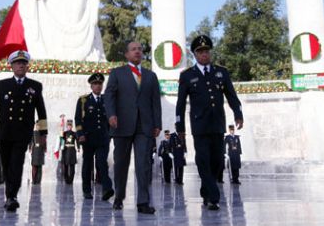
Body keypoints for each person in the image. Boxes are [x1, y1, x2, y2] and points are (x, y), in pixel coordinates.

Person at [176, 35, 244, 211]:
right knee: (203, 159)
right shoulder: (187, 76)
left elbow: (231, 95)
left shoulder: (221, 72)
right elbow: (181, 104)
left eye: (206, 51)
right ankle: (213, 197)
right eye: (200, 52)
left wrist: (238, 113)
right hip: (199, 126)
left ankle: (206, 190)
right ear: (195, 55)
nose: (204, 55)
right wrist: (180, 127)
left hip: (217, 124)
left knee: (218, 161)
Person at [0, 50, 48, 212]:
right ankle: (9, 193)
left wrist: (43, 134)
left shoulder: (35, 86)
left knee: (17, 164)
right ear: (11, 66)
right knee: (6, 164)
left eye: (23, 63)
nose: (20, 65)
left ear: (27, 67)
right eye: (17, 63)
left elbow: (41, 110)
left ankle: (12, 196)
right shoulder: (2, 85)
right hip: (5, 131)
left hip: (22, 132)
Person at [104, 41, 162, 214]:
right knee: (121, 163)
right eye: (133, 49)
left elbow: (155, 102)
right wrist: (111, 115)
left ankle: (143, 201)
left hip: (144, 127)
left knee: (143, 164)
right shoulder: (117, 73)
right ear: (127, 54)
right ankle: (119, 197)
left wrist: (157, 123)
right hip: (121, 125)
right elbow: (109, 95)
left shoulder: (151, 76)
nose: (137, 52)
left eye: (139, 49)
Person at [74, 72, 114, 201]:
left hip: (103, 138)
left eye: (100, 84)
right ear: (91, 86)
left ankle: (107, 188)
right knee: (87, 164)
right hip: (88, 138)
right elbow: (78, 119)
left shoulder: (106, 100)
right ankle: (87, 190)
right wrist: (80, 134)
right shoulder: (83, 100)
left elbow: (111, 118)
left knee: (102, 163)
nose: (98, 86)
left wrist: (110, 134)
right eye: (95, 84)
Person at [61, 120, 79, 184]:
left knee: (72, 167)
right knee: (65, 166)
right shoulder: (64, 133)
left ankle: (71, 180)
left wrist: (78, 147)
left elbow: (77, 141)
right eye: (68, 126)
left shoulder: (74, 133)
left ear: (72, 126)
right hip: (65, 151)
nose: (69, 127)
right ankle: (66, 180)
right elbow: (61, 139)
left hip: (72, 151)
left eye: (70, 125)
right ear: (67, 126)